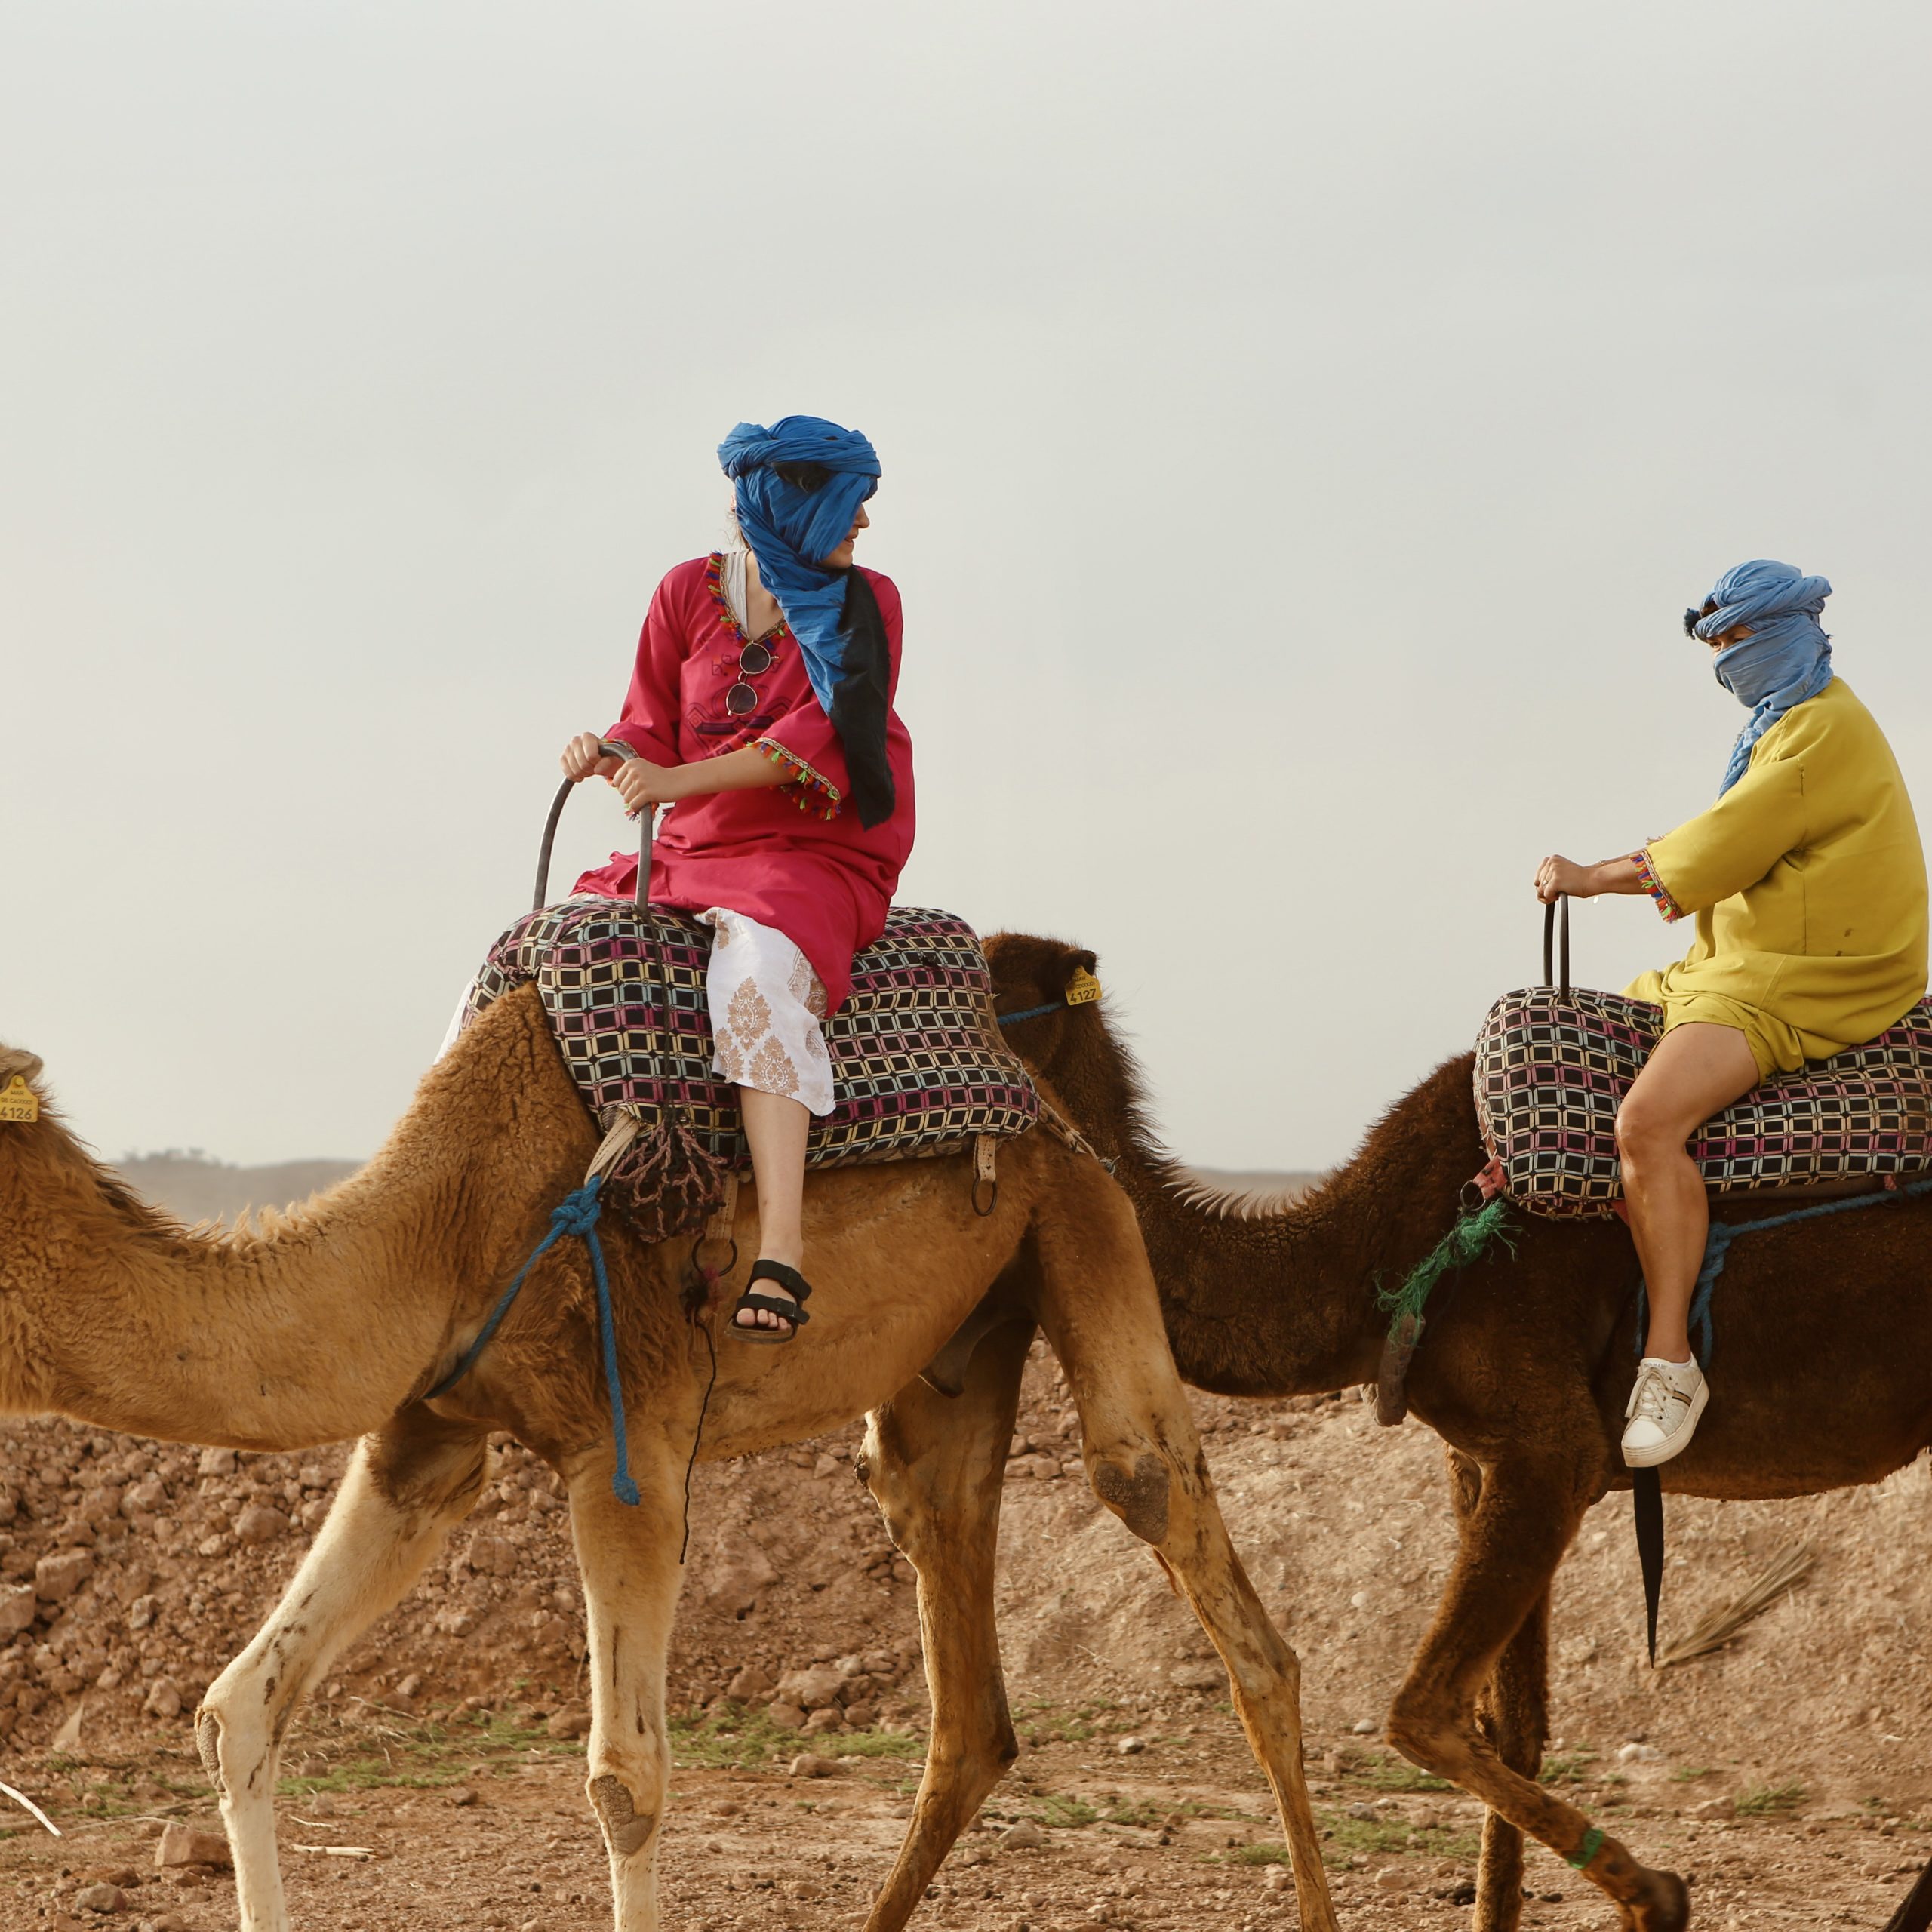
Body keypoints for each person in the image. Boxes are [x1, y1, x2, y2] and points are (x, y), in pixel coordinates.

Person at [1535, 559, 1927, 1466]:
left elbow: (1719, 845)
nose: (1724, 661)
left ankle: (1669, 1359)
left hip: (1809, 971)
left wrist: (1590, 875)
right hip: (1758, 946)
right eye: (1715, 645)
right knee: (1630, 1012)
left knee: (1645, 1121)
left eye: (1736, 640)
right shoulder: (1786, 721)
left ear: (1789, 632)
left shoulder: (1819, 733)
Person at [561, 416, 915, 1343]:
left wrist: (673, 781)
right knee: (548, 955)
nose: (864, 526)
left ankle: (782, 1249)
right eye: (850, 506)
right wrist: (607, 750)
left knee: (758, 975)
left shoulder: (866, 605)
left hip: (812, 844)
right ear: (787, 507)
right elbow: (647, 720)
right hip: (693, 845)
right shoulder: (685, 592)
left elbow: (818, 738)